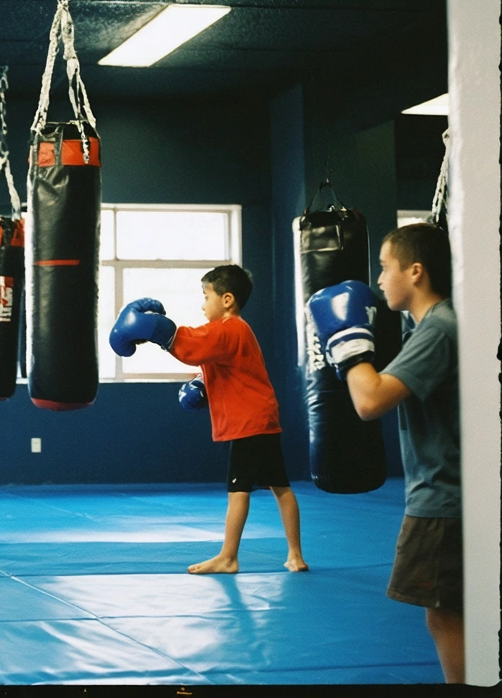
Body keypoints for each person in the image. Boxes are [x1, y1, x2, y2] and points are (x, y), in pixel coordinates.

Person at [308, 222, 461, 683]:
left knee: (444, 614)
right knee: (449, 611)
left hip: (443, 497)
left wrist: (348, 344)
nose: (377, 280)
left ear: (415, 272)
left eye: (384, 267)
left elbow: (369, 401)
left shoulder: (439, 328)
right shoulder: (430, 325)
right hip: (446, 491)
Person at [110, 264, 308, 575]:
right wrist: (202, 383)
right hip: (262, 418)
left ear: (227, 299)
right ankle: (295, 555)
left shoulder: (229, 329)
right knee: (280, 486)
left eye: (206, 296)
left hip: (248, 423)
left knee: (238, 490)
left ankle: (229, 557)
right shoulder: (237, 332)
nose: (203, 305)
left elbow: (192, 345)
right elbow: (217, 364)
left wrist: (157, 330)